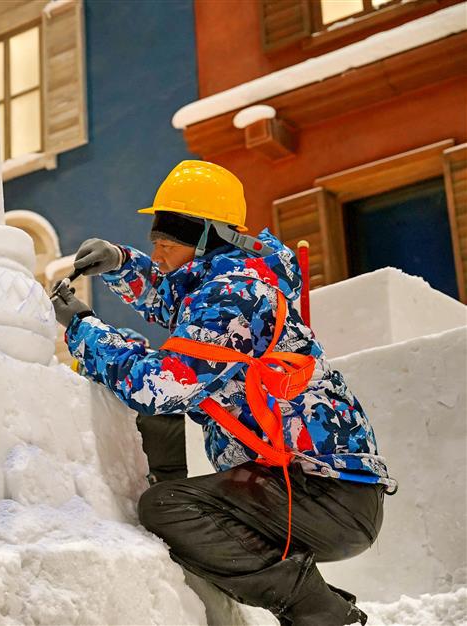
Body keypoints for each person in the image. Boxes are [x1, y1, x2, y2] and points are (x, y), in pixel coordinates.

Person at [51, 161, 396, 625]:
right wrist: (120, 263)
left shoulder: (236, 293)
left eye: (166, 243)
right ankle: (311, 599)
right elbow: (173, 298)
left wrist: (83, 329)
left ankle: (317, 610)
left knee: (168, 507)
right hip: (317, 488)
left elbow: (163, 386)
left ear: (205, 240)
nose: (159, 254)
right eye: (154, 243)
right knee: (175, 495)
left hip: (323, 494)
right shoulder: (228, 282)